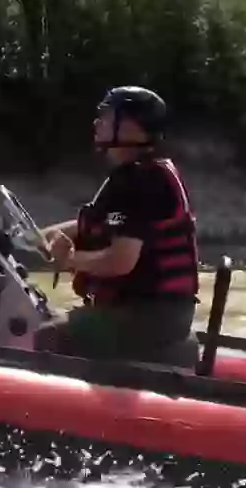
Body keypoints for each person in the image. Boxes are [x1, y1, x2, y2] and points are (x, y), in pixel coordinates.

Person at [33, 86, 201, 366]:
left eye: (109, 117)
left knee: (48, 336)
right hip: (156, 311)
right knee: (53, 316)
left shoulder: (143, 181)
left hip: (150, 315)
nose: (97, 123)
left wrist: (72, 259)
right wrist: (43, 235)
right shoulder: (139, 174)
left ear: (134, 128)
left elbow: (121, 261)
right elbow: (102, 224)